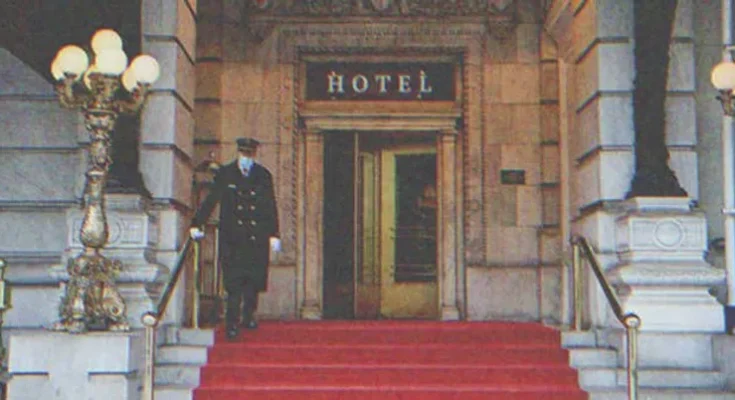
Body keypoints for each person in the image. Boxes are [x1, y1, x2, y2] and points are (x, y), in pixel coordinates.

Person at [190, 137, 281, 340]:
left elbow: (269, 206)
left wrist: (274, 234)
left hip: (256, 235)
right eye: (244, 154)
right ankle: (232, 322)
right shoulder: (226, 173)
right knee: (233, 282)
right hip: (233, 237)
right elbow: (212, 199)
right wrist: (197, 222)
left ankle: (248, 315)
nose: (247, 158)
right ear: (239, 153)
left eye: (250, 154)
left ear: (254, 154)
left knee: (253, 280)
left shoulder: (263, 175)